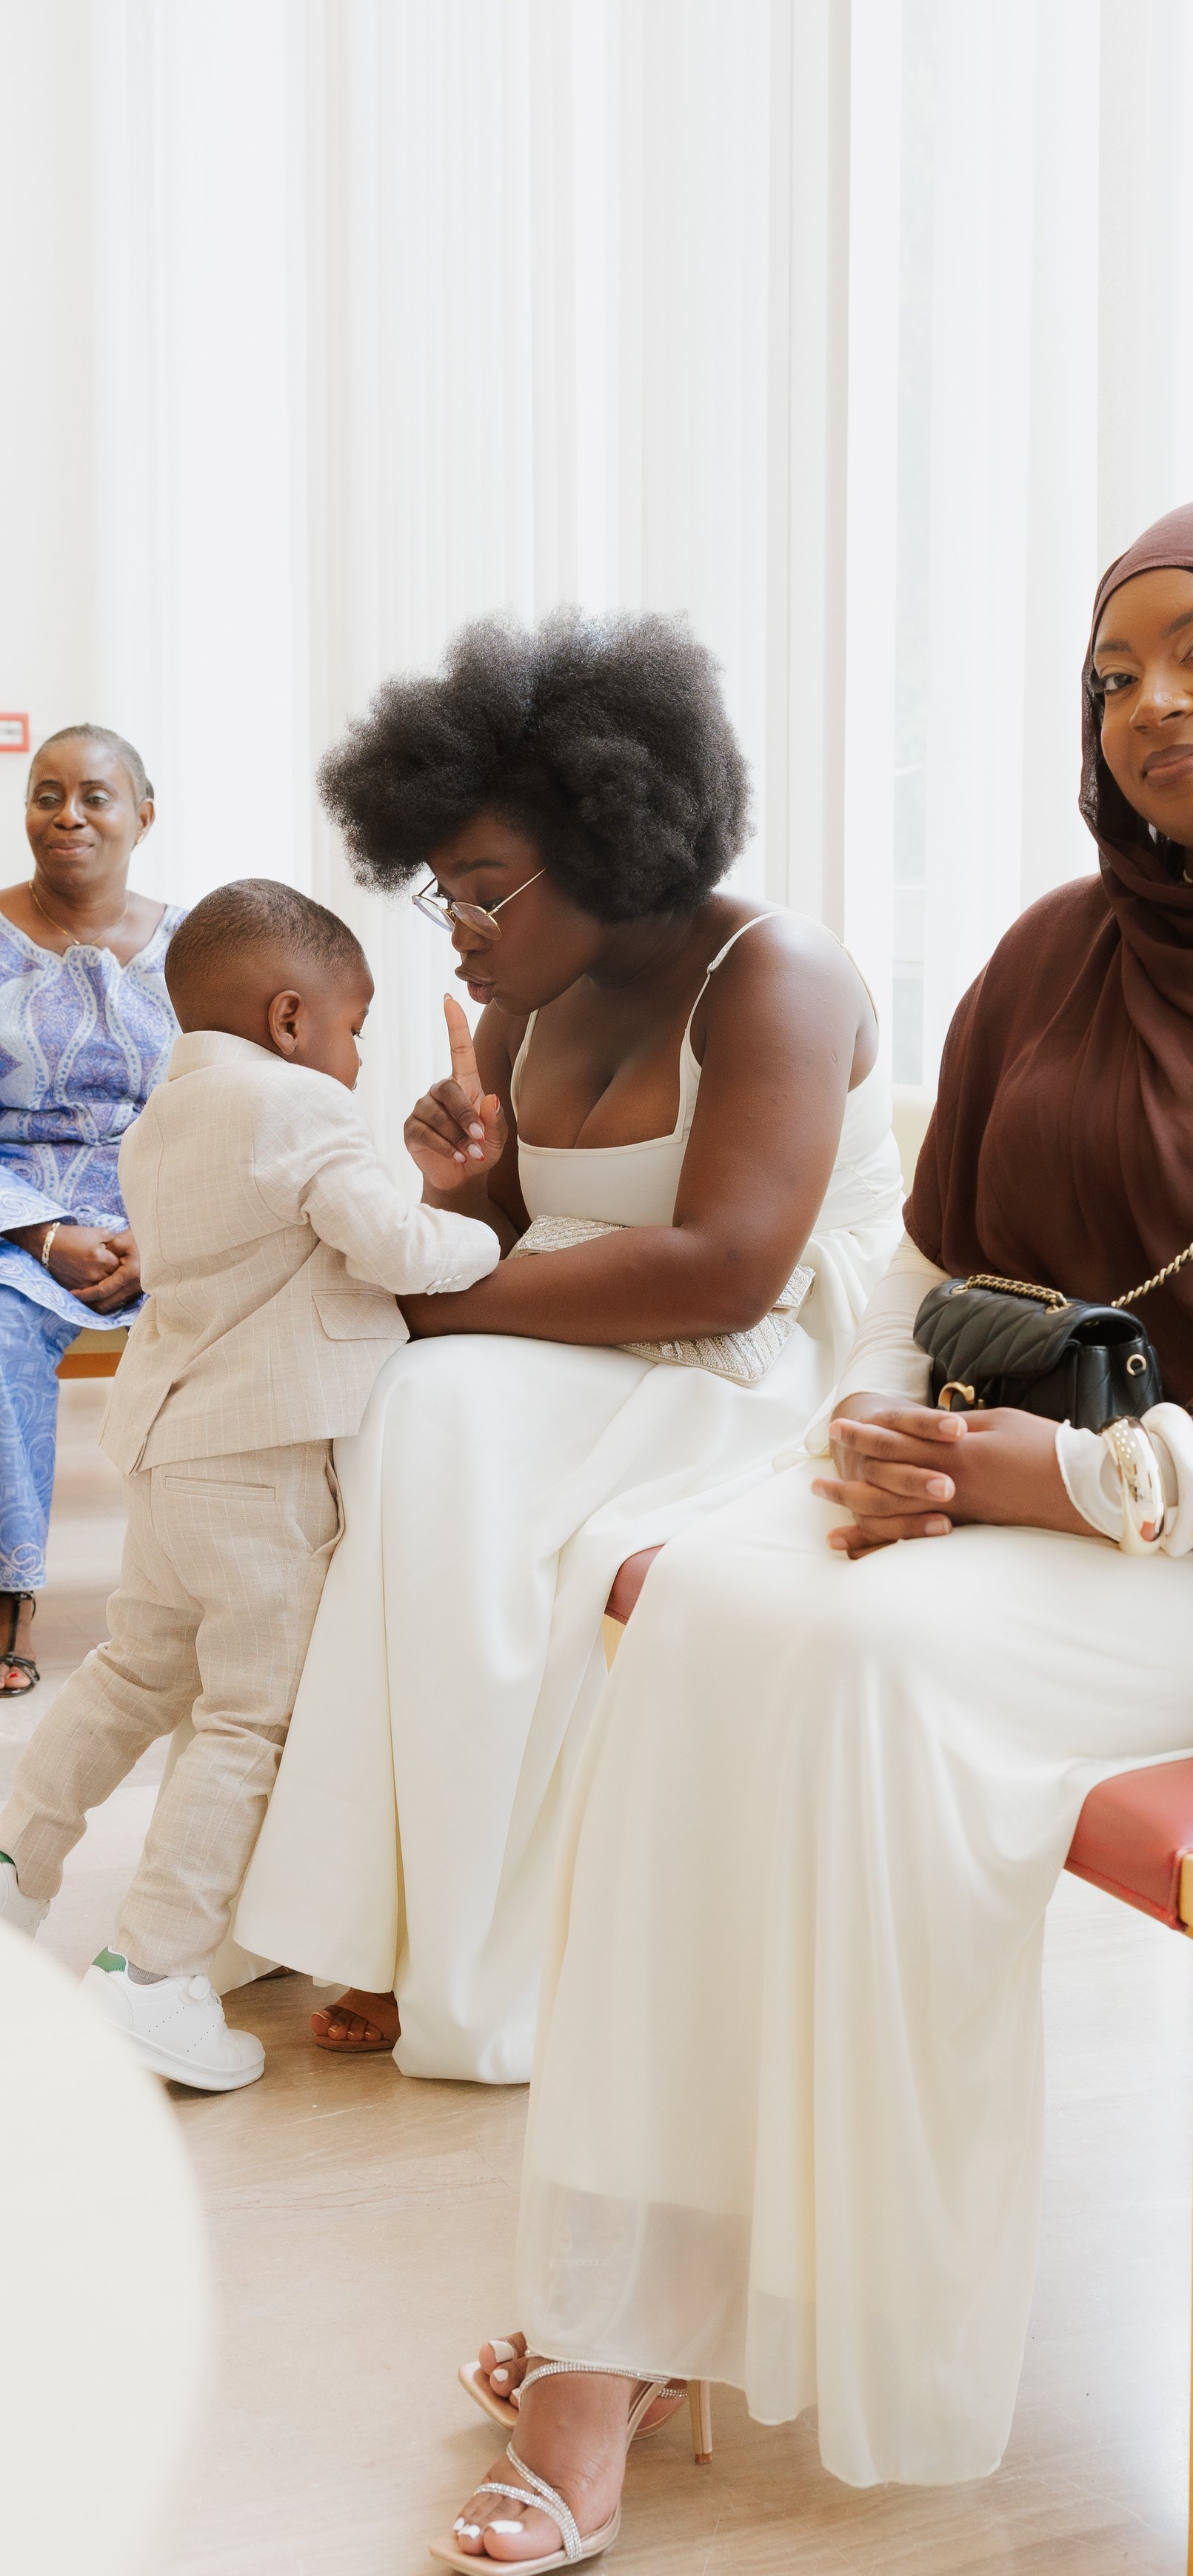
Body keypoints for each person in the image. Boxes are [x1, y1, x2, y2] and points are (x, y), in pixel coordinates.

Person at [431, 497, 1193, 2576]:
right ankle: (620, 2314)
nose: (1151, 703)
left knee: (873, 1668)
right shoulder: (1057, 954)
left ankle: (758, 2301)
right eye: (1108, 673)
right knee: (708, 1601)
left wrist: (1047, 1483)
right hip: (1008, 1499)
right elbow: (922, 1271)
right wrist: (883, 1433)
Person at [233, 608, 901, 2082]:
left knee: (433, 1404)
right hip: (575, 1359)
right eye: (443, 897)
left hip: (743, 1377)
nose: (461, 934)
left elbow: (729, 1272)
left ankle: (446, 1940)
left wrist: (444, 1305)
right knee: (405, 1409)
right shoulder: (528, 1007)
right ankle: (387, 1912)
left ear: (610, 841)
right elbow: (522, 1223)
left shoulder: (775, 975)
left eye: (483, 892)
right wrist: (456, 1183)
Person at [0, 882, 500, 2088]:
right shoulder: (301, 1109)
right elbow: (390, 1246)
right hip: (268, 1459)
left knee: (132, 1673)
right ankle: (153, 1971)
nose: (358, 1052)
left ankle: (17, 1862)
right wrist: (488, 1236)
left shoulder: (166, 1113)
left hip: (172, 1450)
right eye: (355, 1024)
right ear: (290, 1018)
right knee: (246, 1716)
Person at [0, 725, 181, 1695]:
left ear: (142, 816)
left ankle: (227, 1596)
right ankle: (7, 1598)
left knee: (273, 1308)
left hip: (168, 1211)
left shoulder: (200, 947)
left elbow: (233, 1105)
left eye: (95, 795)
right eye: (45, 793)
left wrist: (169, 1235)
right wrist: (44, 1232)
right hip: (11, 1209)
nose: (67, 814)